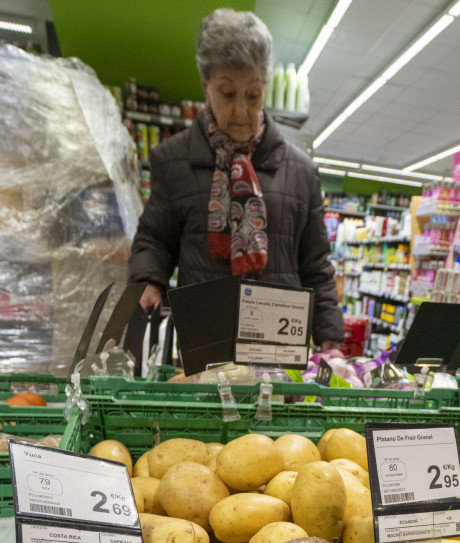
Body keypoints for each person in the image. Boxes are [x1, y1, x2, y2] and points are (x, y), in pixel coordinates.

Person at [129, 8, 344, 353]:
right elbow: (154, 239)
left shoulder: (301, 173)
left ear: (265, 86)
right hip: (204, 343)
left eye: (253, 95)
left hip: (278, 346)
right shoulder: (174, 161)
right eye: (228, 94)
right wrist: (147, 280)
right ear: (205, 85)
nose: (242, 110)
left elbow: (316, 263)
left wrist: (331, 335)